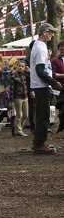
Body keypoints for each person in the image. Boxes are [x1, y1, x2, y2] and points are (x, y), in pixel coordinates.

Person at [30, 23, 62, 154]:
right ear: (45, 33)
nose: (53, 34)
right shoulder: (39, 48)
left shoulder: (41, 46)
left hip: (42, 85)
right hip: (40, 85)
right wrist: (53, 82)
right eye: (51, 32)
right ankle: (39, 144)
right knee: (43, 117)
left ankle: (39, 141)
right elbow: (40, 70)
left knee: (43, 115)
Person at [9, 60, 29, 137]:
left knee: (25, 115)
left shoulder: (25, 74)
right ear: (16, 66)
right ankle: (19, 130)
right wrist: (11, 101)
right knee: (19, 115)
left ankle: (18, 128)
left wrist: (28, 70)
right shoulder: (13, 75)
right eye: (19, 66)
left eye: (22, 66)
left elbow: (31, 76)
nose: (20, 67)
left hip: (25, 97)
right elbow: (11, 88)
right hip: (17, 97)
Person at [51, 40, 64, 132]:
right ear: (59, 50)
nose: (63, 51)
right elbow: (53, 74)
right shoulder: (55, 61)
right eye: (61, 49)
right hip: (60, 87)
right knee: (61, 106)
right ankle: (61, 125)